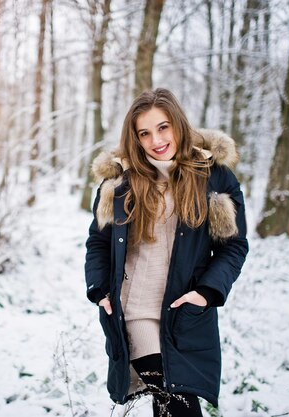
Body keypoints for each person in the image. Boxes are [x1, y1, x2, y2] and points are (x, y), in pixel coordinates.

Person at [84, 88, 248, 416]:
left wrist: (205, 292)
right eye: (144, 133)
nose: (156, 140)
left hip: (184, 311)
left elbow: (234, 246)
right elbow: (98, 243)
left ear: (178, 124)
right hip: (135, 310)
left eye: (163, 127)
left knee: (171, 405)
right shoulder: (119, 183)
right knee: (178, 405)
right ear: (135, 138)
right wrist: (100, 290)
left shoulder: (213, 177)